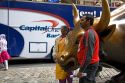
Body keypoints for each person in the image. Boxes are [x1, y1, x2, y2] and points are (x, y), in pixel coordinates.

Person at [76, 14, 100, 83]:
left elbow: (88, 55)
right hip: (89, 65)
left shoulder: (89, 33)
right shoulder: (89, 32)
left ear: (88, 21)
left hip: (89, 66)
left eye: (82, 20)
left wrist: (81, 71)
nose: (80, 22)